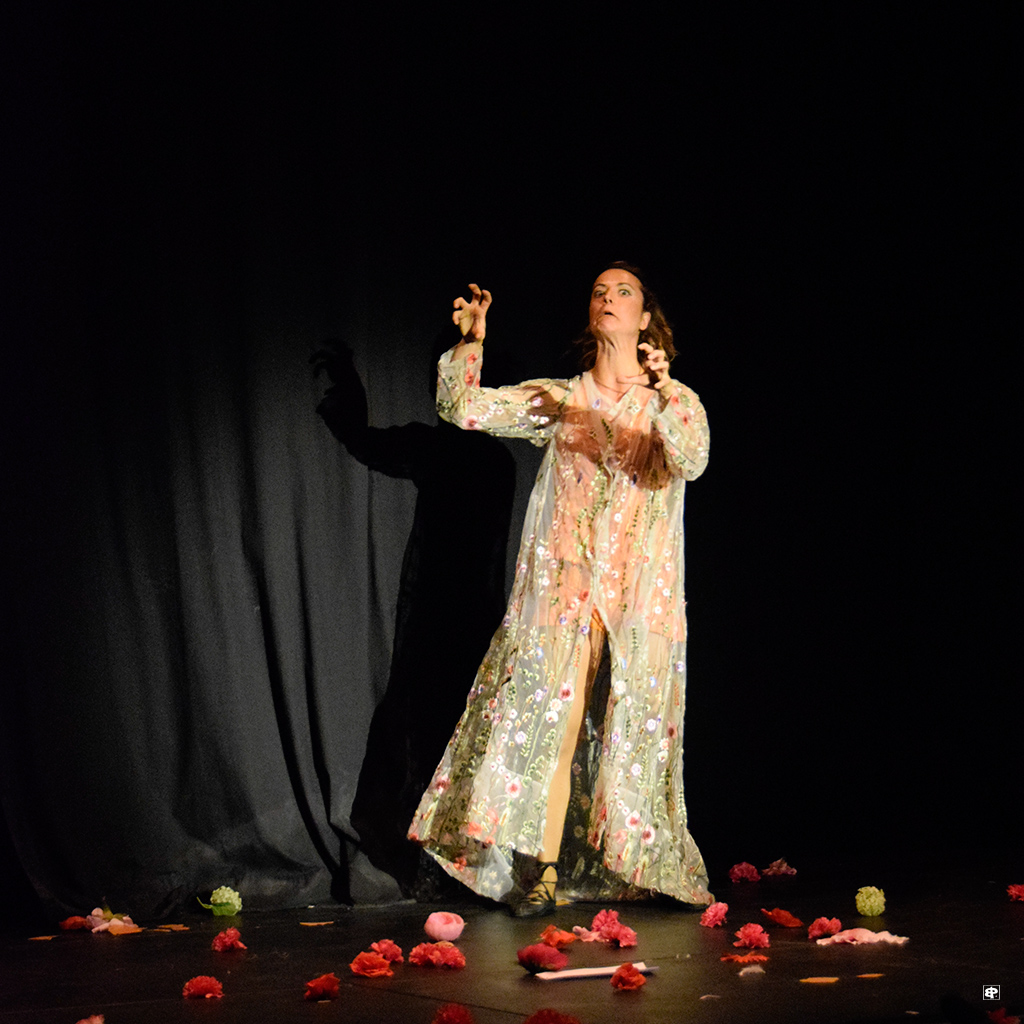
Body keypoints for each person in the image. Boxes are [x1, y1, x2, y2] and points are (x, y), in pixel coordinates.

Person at [408, 264, 713, 916]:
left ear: (645, 319)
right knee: (552, 723)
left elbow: (692, 458)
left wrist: (664, 393)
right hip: (565, 587)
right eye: (599, 291)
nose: (608, 298)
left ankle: (638, 862)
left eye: (623, 291)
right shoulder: (562, 397)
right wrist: (470, 344)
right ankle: (538, 871)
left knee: (632, 732)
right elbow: (464, 409)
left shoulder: (673, 400)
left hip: (639, 599)